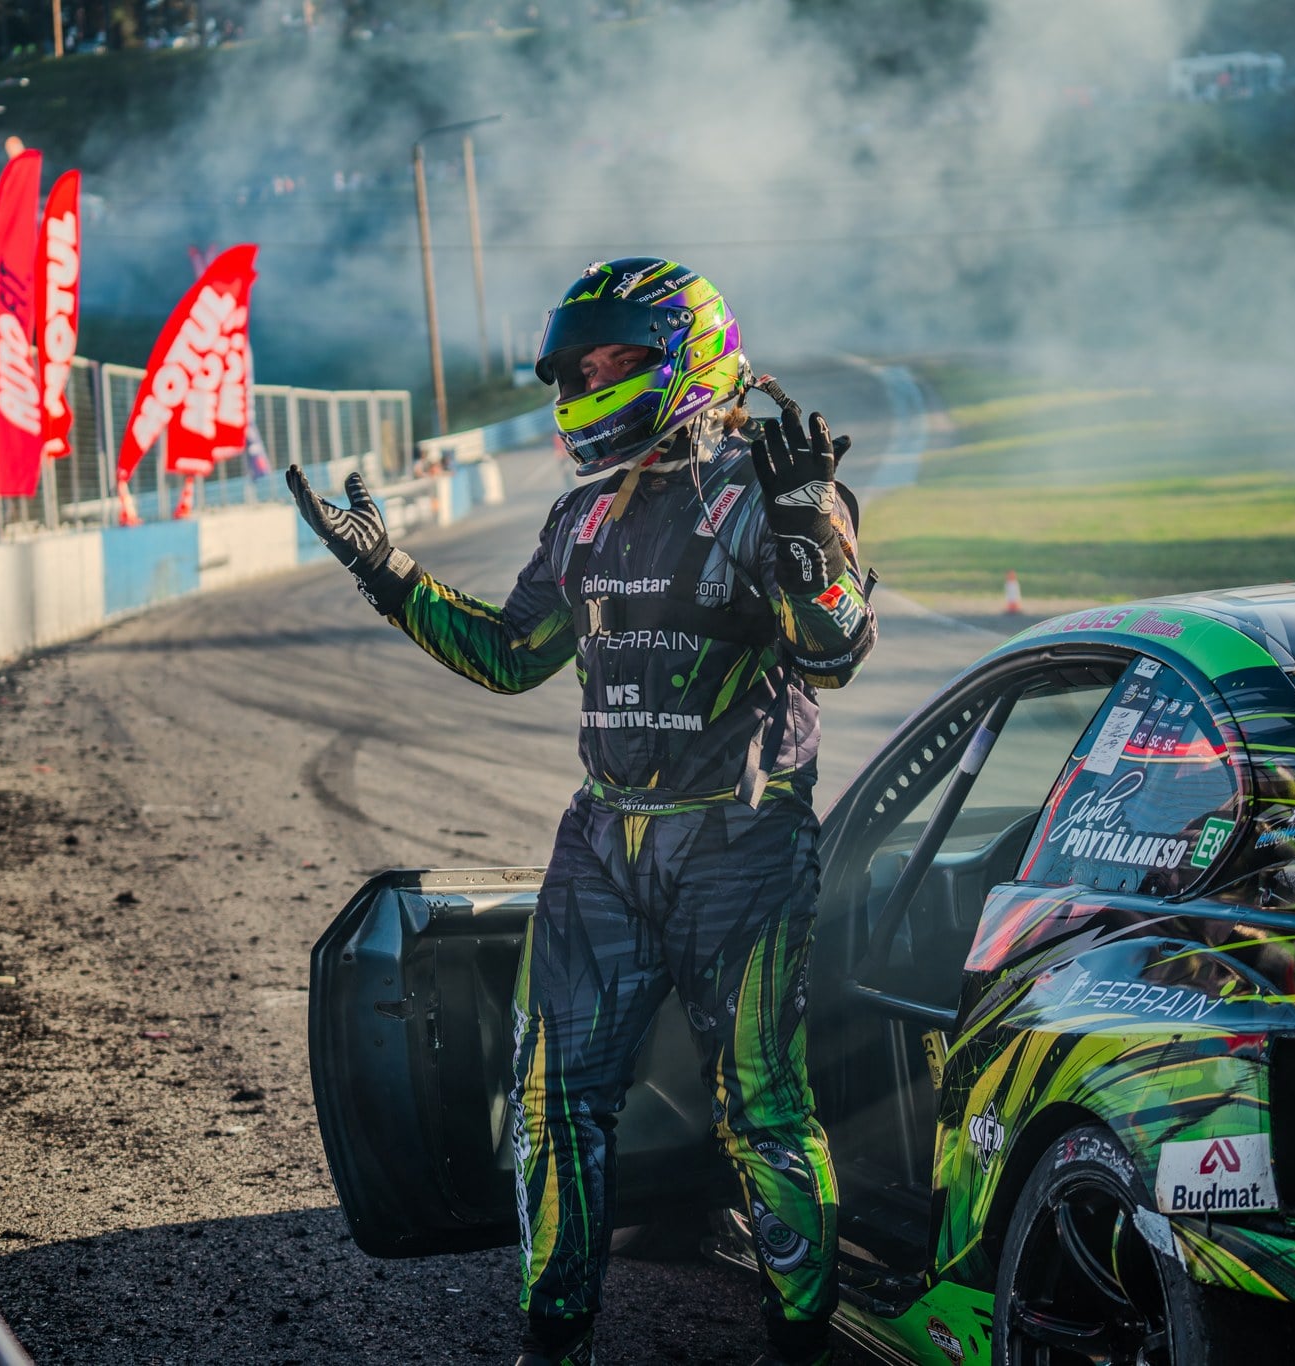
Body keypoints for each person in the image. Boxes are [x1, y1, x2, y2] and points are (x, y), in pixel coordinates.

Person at [288, 258, 877, 1366]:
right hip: (604, 840)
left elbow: (834, 651)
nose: (588, 384)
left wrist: (804, 526)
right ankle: (551, 1344)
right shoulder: (579, 518)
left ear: (687, 359)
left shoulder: (772, 487)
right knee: (553, 1102)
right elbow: (511, 657)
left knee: (763, 1107)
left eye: (615, 362)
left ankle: (797, 1346)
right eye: (576, 368)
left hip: (742, 842)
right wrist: (390, 574)